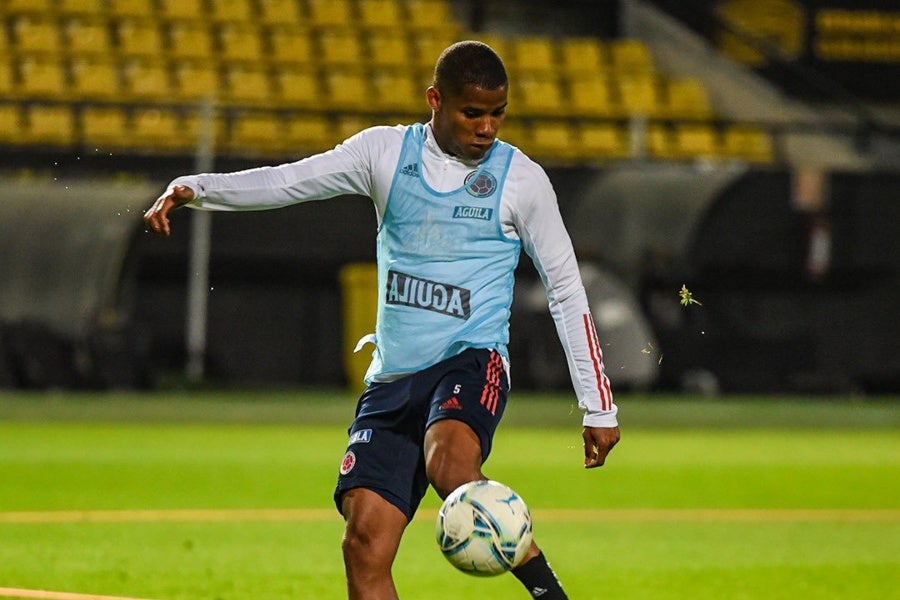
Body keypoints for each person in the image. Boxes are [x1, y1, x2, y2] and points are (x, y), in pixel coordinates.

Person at [144, 41, 620, 600]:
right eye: (473, 113)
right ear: (435, 100)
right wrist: (197, 189)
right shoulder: (385, 153)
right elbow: (289, 181)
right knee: (364, 544)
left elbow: (566, 289)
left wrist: (598, 404)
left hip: (471, 359)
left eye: (498, 113)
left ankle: (547, 591)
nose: (487, 127)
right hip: (393, 378)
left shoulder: (522, 180)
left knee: (449, 465)